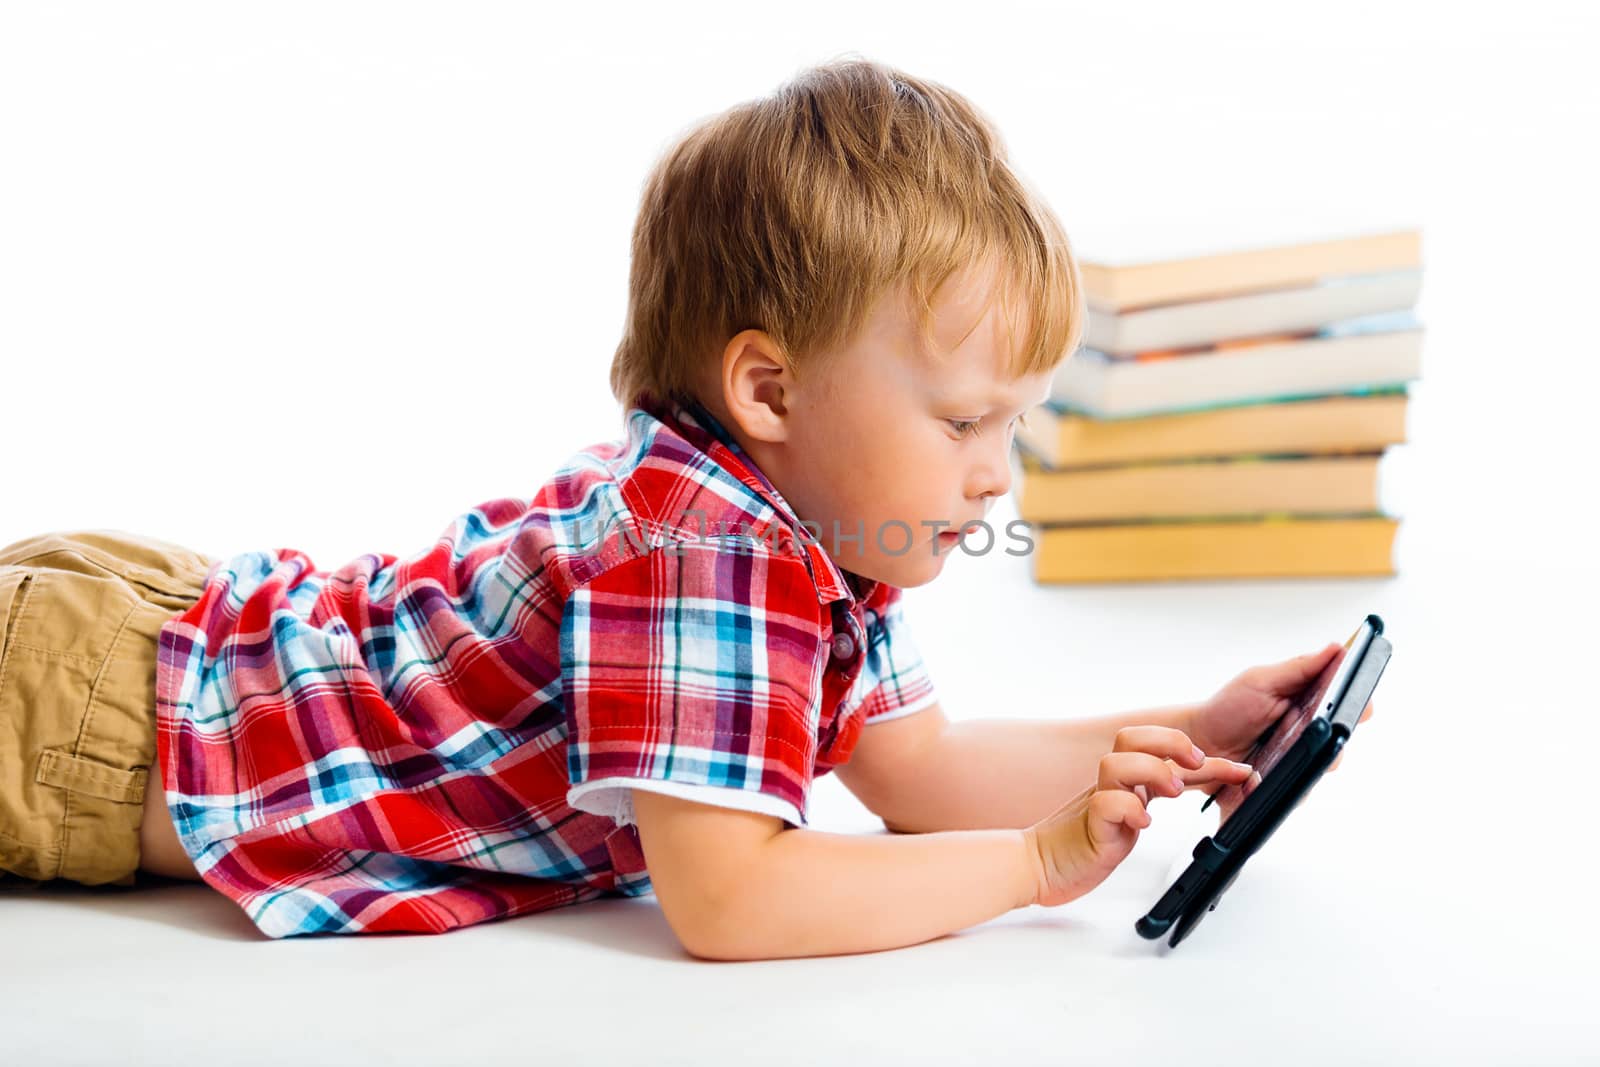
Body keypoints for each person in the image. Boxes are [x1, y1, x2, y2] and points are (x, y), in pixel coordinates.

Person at [0, 56, 1368, 955]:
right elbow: (733, 896)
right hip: (99, 720)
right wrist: (1035, 868)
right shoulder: (699, 549)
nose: (997, 471)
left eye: (1013, 422)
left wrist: (1187, 733)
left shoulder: (828, 541)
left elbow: (918, 772)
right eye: (960, 421)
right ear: (769, 390)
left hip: (162, 647)